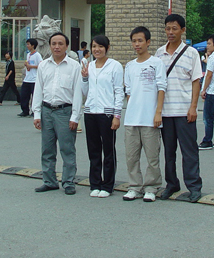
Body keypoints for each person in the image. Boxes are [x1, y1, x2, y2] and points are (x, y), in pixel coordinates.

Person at [155, 14, 203, 203]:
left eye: (174, 28)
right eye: (167, 28)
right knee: (169, 152)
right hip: (165, 112)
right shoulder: (159, 53)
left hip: (184, 111)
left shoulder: (192, 53)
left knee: (189, 151)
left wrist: (193, 107)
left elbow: (196, 81)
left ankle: (194, 186)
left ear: (183, 30)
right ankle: (172, 183)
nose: (170, 32)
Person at [32, 32, 83, 195]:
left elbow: (78, 93)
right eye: (54, 43)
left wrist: (75, 116)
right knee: (47, 149)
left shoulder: (74, 66)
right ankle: (49, 181)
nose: (57, 47)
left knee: (67, 149)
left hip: (65, 112)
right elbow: (38, 90)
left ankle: (68, 182)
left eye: (60, 44)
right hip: (47, 111)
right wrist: (37, 114)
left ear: (66, 46)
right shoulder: (43, 65)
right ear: (50, 45)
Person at [123, 26, 167, 202]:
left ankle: (151, 187)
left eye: (140, 40)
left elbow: (161, 88)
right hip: (131, 119)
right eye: (134, 41)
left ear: (148, 42)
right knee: (131, 157)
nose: (137, 44)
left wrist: (158, 113)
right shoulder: (130, 66)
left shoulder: (156, 63)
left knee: (152, 158)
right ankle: (134, 186)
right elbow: (128, 91)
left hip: (150, 119)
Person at [81, 35, 124, 198]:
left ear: (107, 48)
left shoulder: (115, 66)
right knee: (93, 150)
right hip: (90, 112)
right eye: (94, 46)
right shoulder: (89, 66)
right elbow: (85, 91)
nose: (96, 49)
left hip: (107, 114)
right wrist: (85, 78)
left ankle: (107, 185)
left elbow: (119, 91)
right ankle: (95, 183)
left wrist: (117, 115)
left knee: (108, 150)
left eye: (100, 46)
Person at [18, 39, 42, 117]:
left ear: (33, 45)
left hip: (34, 79)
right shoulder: (28, 54)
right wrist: (27, 65)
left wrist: (31, 66)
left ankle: (35, 112)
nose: (27, 46)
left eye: (28, 44)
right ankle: (25, 111)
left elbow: (41, 66)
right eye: (27, 44)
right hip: (27, 79)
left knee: (35, 97)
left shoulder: (37, 55)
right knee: (24, 96)